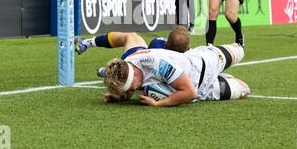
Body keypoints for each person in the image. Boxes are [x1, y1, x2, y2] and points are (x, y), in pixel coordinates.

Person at [103, 41, 249, 106]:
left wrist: (158, 104)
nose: (130, 91)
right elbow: (194, 93)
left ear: (134, 73)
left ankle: (222, 74)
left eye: (129, 87)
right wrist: (119, 96)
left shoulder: (159, 64)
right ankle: (223, 80)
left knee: (239, 50)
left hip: (203, 62)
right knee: (245, 90)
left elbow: (189, 92)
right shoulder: (128, 62)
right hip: (202, 89)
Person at [75, 26, 191, 77]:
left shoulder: (158, 43)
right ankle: (113, 71)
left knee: (131, 36)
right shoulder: (187, 61)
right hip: (146, 75)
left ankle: (87, 43)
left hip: (134, 68)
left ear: (167, 42)